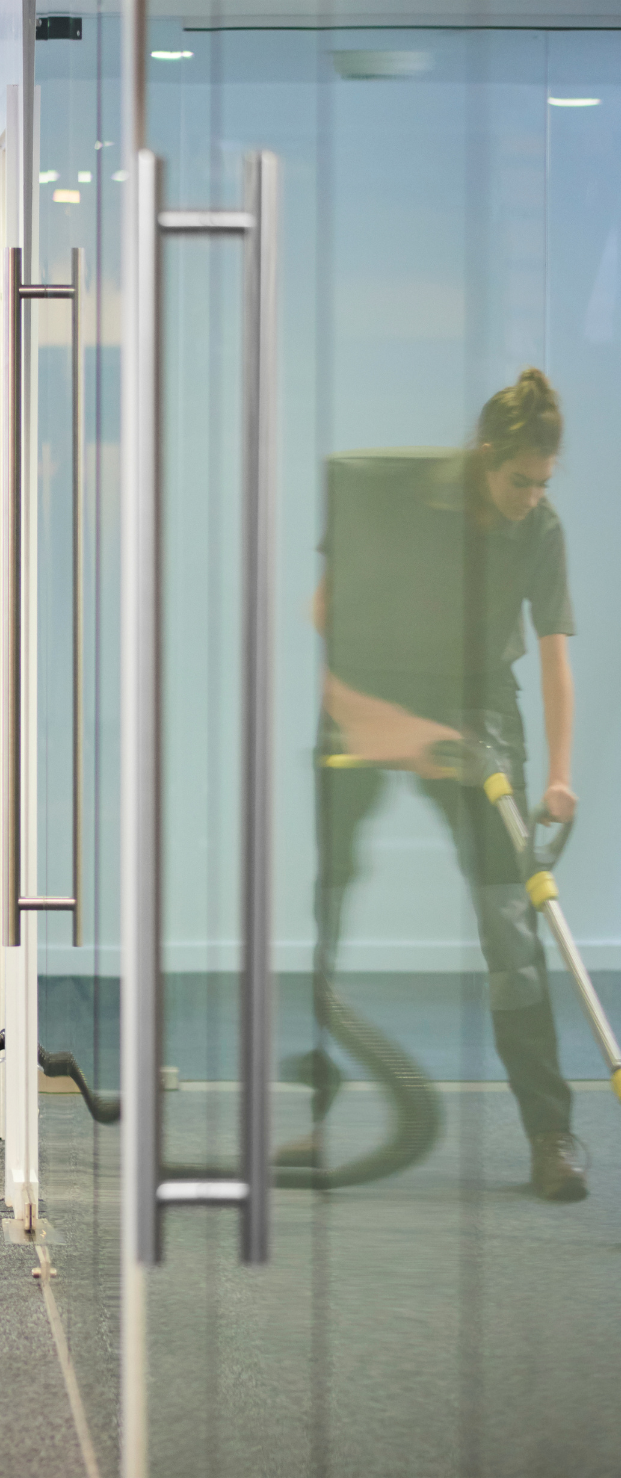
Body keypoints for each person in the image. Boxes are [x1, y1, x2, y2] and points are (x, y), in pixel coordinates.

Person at [314, 367, 585, 1202]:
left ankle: (550, 1134)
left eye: (542, 483)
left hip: (476, 707)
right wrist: (381, 725)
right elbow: (324, 612)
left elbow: (554, 660)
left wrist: (560, 776)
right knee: (330, 895)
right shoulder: (399, 500)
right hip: (373, 688)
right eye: (518, 481)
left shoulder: (540, 530)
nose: (530, 498)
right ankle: (313, 1107)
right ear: (483, 459)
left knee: (511, 927)